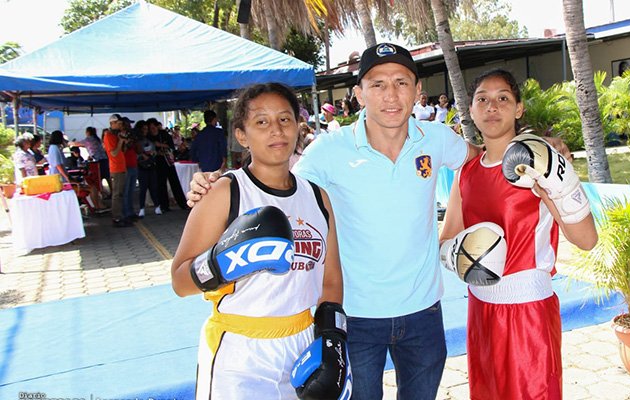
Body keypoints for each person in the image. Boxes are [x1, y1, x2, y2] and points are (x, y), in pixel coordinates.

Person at [187, 43, 572, 399]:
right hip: (356, 317)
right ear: (359, 93)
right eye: (378, 84)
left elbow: (486, 155)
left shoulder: (436, 139)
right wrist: (212, 187)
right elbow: (279, 186)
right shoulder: (328, 151)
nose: (391, 95)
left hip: (424, 313)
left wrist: (539, 147)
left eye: (401, 83)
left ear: (417, 90)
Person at [171, 82, 346, 400]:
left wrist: (333, 341)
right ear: (241, 135)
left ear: (297, 126)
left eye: (285, 119)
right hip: (240, 353)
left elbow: (331, 281)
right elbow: (180, 281)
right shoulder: (225, 192)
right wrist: (221, 263)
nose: (276, 131)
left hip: (303, 344)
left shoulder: (318, 197)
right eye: (261, 122)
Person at [439, 68, 597, 399]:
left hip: (529, 312)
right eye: (482, 99)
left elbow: (586, 240)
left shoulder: (540, 163)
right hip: (480, 310)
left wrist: (559, 182)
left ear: (519, 108)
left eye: (503, 98)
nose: (491, 107)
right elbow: (446, 241)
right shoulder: (465, 172)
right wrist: (464, 256)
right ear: (470, 110)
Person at [104, 114, 131, 227]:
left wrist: (124, 142)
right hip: (116, 168)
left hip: (121, 167)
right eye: (118, 124)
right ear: (112, 123)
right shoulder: (109, 136)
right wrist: (120, 141)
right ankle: (116, 218)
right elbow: (113, 153)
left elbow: (121, 151)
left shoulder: (115, 135)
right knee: (117, 194)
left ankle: (120, 215)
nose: (120, 126)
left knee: (120, 194)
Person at [70, 126, 111, 195]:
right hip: (104, 159)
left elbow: (78, 144)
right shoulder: (97, 139)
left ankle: (102, 194)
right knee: (107, 177)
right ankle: (111, 192)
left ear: (88, 132)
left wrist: (70, 143)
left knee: (98, 178)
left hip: (98, 161)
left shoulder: (88, 139)